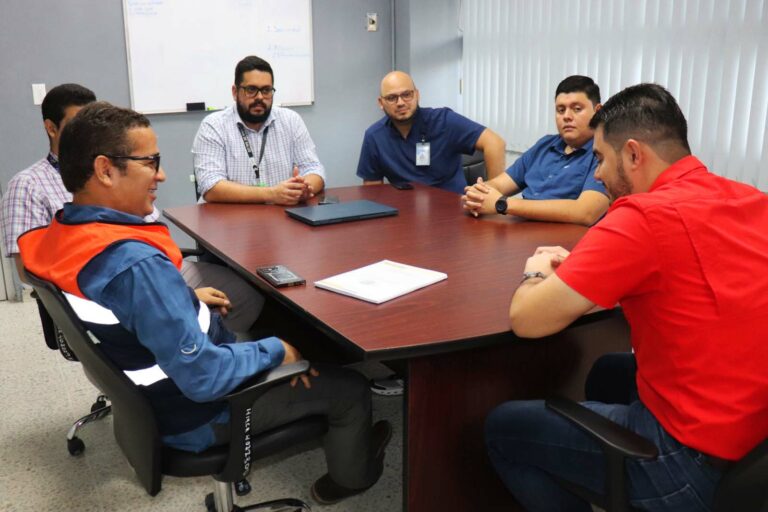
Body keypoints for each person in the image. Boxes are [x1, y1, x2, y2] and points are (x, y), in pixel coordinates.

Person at [18, 102, 391, 505]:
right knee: (350, 386)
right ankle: (352, 479)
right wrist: (274, 351)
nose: (161, 174)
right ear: (106, 169)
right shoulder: (137, 267)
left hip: (155, 391)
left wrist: (178, 297)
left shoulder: (66, 228)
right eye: (151, 161)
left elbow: (116, 300)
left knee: (274, 334)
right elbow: (203, 377)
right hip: (200, 411)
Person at [485, 83, 768, 511]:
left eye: (600, 158)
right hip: (753, 446)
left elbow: (528, 319)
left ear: (634, 154)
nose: (597, 173)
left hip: (689, 466)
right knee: (606, 373)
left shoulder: (642, 217)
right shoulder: (747, 197)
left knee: (503, 429)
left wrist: (536, 272)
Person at [0, 83, 263, 335]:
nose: (88, 135)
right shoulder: (29, 185)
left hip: (155, 271)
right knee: (249, 302)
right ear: (51, 128)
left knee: (255, 290)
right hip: (130, 285)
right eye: (76, 126)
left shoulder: (120, 179)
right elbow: (33, 273)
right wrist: (178, 297)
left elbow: (149, 233)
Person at [462, 75, 609, 226]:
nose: (566, 116)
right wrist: (480, 193)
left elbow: (586, 212)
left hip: (563, 242)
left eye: (577, 109)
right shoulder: (545, 145)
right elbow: (500, 184)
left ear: (597, 111)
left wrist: (503, 204)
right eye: (560, 110)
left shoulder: (605, 153)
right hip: (522, 233)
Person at [192, 55, 326, 205]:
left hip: (279, 218)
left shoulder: (291, 120)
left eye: (266, 90)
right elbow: (210, 186)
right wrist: (271, 194)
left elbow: (314, 169)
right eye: (251, 90)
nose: (260, 97)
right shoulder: (214, 126)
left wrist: (302, 189)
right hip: (228, 222)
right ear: (235, 92)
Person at [356, 70, 506, 194]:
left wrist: (494, 195)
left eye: (406, 94)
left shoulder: (444, 121)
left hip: (453, 210)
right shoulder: (374, 136)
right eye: (392, 98)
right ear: (381, 103)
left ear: (417, 94)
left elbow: (495, 143)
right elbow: (372, 187)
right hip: (404, 215)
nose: (400, 102)